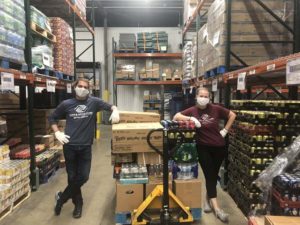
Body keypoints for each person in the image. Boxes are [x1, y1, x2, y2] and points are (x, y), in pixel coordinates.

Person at [48, 78, 120, 219]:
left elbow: (110, 106)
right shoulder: (66, 104)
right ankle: (78, 204)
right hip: (69, 146)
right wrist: (57, 132)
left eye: (85, 86)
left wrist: (115, 109)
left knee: (84, 176)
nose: (82, 88)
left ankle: (61, 198)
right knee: (72, 177)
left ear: (89, 89)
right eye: (80, 86)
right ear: (75, 87)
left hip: (85, 147)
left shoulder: (93, 102)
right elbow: (52, 118)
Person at [173, 87, 236, 223]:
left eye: (206, 96)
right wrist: (190, 118)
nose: (204, 98)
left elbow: (232, 115)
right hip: (203, 148)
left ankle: (207, 200)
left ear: (209, 98)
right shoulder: (193, 110)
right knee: (209, 176)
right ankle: (217, 208)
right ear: (196, 97)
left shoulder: (216, 109)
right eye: (201, 95)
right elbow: (176, 116)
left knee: (213, 175)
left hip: (219, 147)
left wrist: (225, 130)